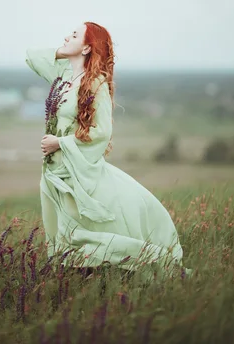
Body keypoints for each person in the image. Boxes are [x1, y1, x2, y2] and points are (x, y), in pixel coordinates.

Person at [25, 21, 192, 279]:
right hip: (53, 168)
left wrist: (60, 143)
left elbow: (102, 131)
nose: (66, 36)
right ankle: (74, 278)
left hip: (73, 167)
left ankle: (121, 267)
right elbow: (32, 56)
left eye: (74, 35)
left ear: (87, 48)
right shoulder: (64, 76)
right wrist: (64, 51)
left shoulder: (96, 83)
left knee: (78, 231)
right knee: (58, 228)